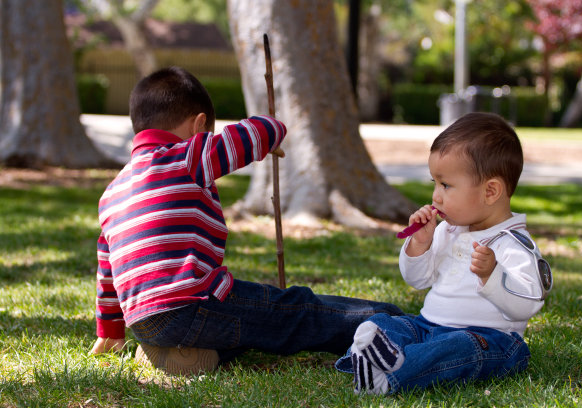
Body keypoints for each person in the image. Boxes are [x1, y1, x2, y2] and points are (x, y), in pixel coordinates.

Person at [91, 66, 403, 374]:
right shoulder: (187, 155)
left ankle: (179, 352)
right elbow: (256, 133)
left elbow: (106, 270)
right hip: (192, 303)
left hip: (145, 321)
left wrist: (110, 333)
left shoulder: (112, 191)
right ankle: (391, 324)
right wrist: (271, 130)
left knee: (253, 325)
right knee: (296, 311)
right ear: (198, 126)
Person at [336, 112, 552, 394]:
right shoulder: (448, 231)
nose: (436, 196)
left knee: (457, 348)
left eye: (446, 185)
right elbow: (417, 280)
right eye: (434, 184)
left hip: (489, 340)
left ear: (490, 192)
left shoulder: (512, 243)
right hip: (428, 327)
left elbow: (528, 303)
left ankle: (388, 374)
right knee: (385, 323)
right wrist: (420, 245)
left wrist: (493, 275)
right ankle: (381, 361)